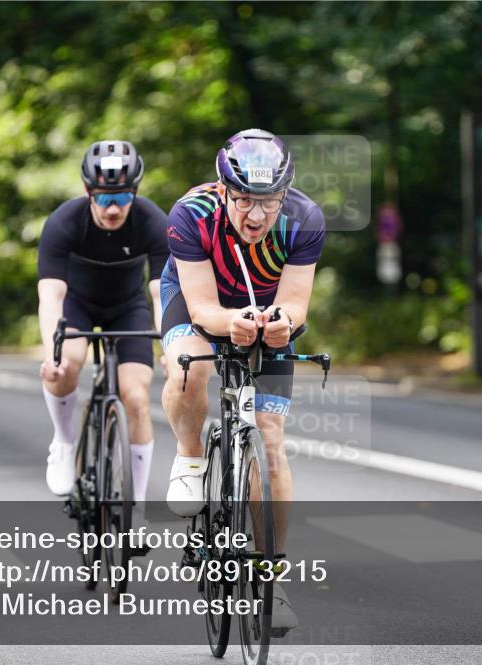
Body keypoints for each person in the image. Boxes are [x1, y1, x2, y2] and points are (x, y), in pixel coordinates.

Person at [159, 129, 326, 630]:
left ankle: (269, 580)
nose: (257, 215)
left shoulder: (305, 220)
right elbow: (205, 307)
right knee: (193, 369)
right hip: (197, 302)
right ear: (223, 188)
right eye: (245, 200)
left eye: (270, 201)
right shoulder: (190, 215)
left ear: (285, 194)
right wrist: (228, 324)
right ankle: (191, 456)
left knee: (271, 441)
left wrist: (283, 326)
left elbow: (296, 304)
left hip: (265, 308)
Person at [37, 140, 168, 498]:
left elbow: (161, 292)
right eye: (104, 197)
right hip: (78, 305)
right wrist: (53, 352)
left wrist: (169, 346)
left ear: (135, 194)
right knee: (67, 365)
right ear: (87, 192)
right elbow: (51, 296)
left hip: (128, 307)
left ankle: (136, 505)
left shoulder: (153, 221)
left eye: (123, 197)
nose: (113, 208)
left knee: (137, 397)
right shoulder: (64, 222)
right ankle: (63, 443)